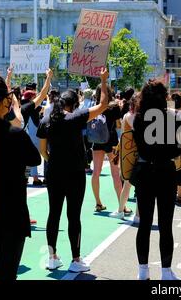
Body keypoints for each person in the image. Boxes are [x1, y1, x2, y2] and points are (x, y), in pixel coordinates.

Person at [37, 68, 110, 273]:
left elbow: (43, 151)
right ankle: (76, 259)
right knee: (73, 216)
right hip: (75, 173)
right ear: (74, 104)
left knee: (54, 213)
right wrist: (103, 81)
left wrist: (54, 161)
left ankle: (52, 257)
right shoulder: (76, 117)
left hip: (54, 172)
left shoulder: (46, 120)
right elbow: (103, 104)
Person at [0, 72, 41, 281]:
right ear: (4, 102)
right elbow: (35, 159)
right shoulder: (15, 134)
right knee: (7, 274)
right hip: (12, 213)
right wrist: (16, 119)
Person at [132, 79, 181, 280]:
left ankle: (142, 271)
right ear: (164, 97)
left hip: (144, 171)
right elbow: (175, 149)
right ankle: (165, 272)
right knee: (165, 225)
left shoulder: (138, 118)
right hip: (165, 172)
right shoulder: (171, 118)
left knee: (144, 223)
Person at [91, 86, 125, 213]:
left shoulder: (95, 106)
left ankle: (98, 203)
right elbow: (118, 124)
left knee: (96, 173)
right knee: (116, 174)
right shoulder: (114, 106)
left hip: (97, 140)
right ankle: (122, 205)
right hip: (111, 141)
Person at [110, 93, 140, 220]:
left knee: (127, 183)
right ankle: (136, 214)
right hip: (140, 153)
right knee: (139, 185)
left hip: (129, 154)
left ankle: (121, 210)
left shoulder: (128, 116)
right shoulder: (142, 116)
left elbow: (124, 137)